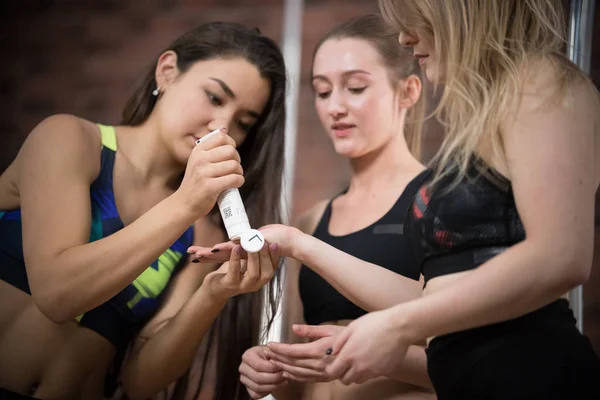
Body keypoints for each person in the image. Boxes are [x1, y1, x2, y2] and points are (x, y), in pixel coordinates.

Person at [195, 1, 600, 398]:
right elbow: (436, 299)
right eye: (321, 91)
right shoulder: (482, 122)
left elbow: (560, 256)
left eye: (355, 87)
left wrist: (396, 327)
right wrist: (296, 243)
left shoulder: (538, 81)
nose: (405, 37)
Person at [0, 21, 285, 400]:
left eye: (244, 122)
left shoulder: (202, 232)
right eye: (215, 98)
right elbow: (57, 295)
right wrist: (184, 203)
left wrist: (212, 294)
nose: (223, 126)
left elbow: (140, 383)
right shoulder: (68, 141)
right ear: (167, 71)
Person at [191, 14, 434, 400]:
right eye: (322, 92)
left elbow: (474, 359)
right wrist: (274, 368)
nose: (335, 107)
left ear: (408, 91)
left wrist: (365, 350)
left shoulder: (442, 200)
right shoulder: (312, 221)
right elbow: (303, 374)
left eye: (355, 87)